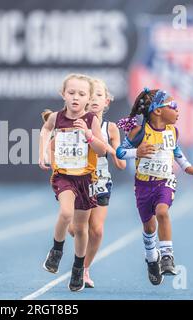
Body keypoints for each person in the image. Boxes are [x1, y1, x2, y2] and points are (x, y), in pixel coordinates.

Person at [116, 87, 193, 285]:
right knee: (149, 227)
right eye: (173, 106)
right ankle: (151, 258)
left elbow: (176, 151)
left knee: (162, 212)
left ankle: (167, 256)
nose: (177, 110)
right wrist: (136, 153)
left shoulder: (173, 131)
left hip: (165, 181)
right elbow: (120, 152)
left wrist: (188, 168)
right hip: (143, 185)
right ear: (157, 110)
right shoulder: (139, 132)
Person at [38, 73, 114, 291]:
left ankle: (79, 268)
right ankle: (56, 250)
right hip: (63, 175)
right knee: (66, 213)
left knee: (81, 229)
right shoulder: (57, 117)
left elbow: (101, 151)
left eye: (81, 94)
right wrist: (42, 152)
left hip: (86, 178)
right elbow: (45, 129)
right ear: (63, 94)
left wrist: (88, 135)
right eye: (71, 93)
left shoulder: (92, 120)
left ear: (88, 98)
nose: (75, 97)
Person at [66, 78, 126, 288]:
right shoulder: (77, 122)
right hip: (80, 181)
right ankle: (71, 224)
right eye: (90, 95)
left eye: (99, 95)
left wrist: (122, 153)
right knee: (76, 229)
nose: (93, 99)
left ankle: (84, 269)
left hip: (101, 181)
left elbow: (120, 163)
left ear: (106, 101)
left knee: (97, 230)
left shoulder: (111, 128)